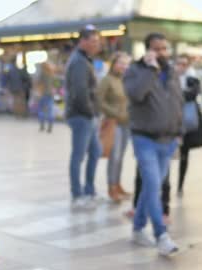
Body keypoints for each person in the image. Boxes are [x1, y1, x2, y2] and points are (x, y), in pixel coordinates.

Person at [124, 33, 183, 256]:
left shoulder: (172, 72)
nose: (162, 53)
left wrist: (180, 132)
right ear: (147, 51)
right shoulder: (135, 71)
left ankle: (138, 228)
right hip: (144, 138)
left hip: (167, 139)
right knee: (153, 185)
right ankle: (161, 235)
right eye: (157, 49)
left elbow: (178, 101)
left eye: (164, 48)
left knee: (151, 186)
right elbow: (136, 94)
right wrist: (150, 70)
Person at [65, 25, 102, 209]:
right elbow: (80, 92)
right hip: (81, 115)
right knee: (78, 155)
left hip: (87, 115)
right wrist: (90, 112)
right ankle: (77, 194)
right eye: (93, 41)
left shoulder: (84, 59)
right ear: (83, 41)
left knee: (95, 152)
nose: (97, 45)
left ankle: (89, 190)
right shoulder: (79, 61)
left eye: (98, 41)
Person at [97, 52, 131, 202]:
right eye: (120, 63)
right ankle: (111, 187)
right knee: (115, 156)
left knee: (121, 156)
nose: (123, 66)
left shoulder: (125, 81)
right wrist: (113, 113)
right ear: (113, 64)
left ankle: (118, 184)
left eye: (126, 64)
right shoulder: (107, 80)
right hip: (113, 122)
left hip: (126, 124)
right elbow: (98, 100)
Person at [175, 54, 202, 195]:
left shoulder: (192, 79)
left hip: (186, 123)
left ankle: (180, 184)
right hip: (170, 122)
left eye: (184, 64)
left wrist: (178, 94)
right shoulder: (169, 78)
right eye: (179, 63)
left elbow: (193, 94)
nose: (181, 67)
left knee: (184, 154)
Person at [36, 62, 56, 132]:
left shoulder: (42, 74)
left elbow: (38, 84)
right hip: (51, 94)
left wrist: (39, 93)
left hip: (43, 94)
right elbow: (56, 84)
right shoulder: (52, 74)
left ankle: (42, 125)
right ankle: (50, 124)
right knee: (50, 110)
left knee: (41, 110)